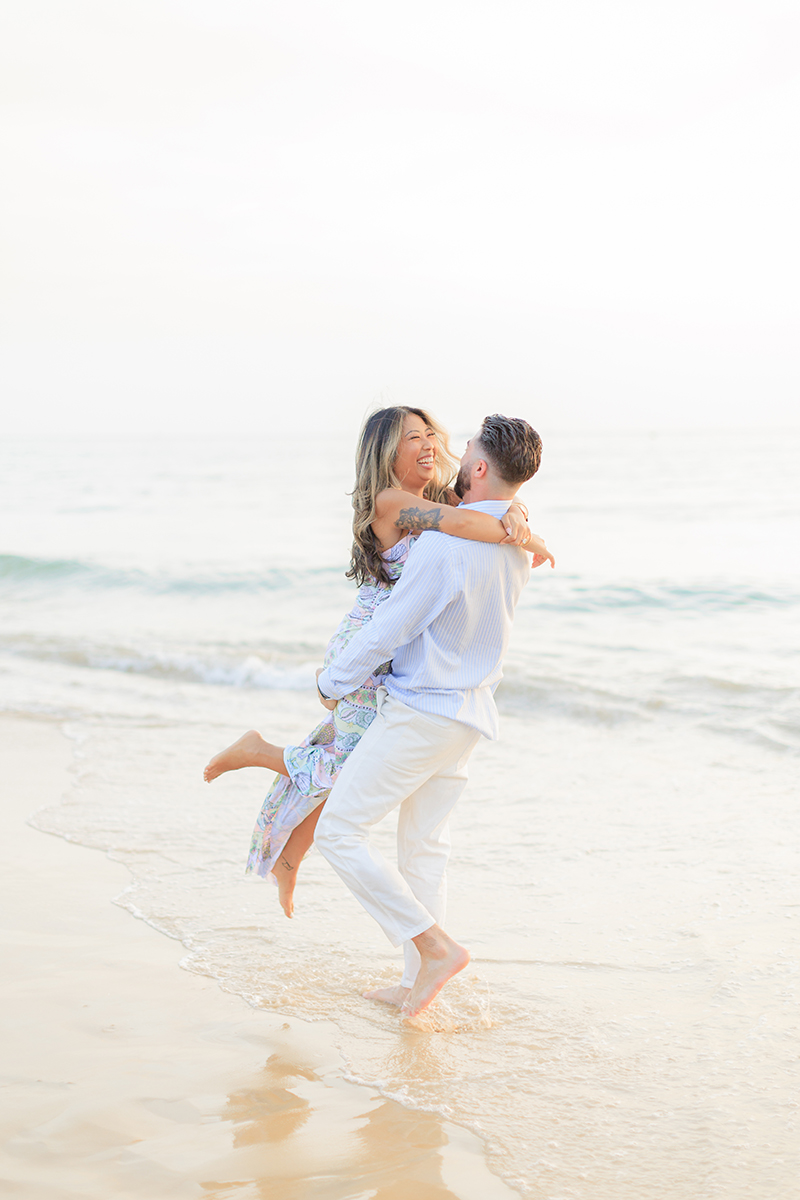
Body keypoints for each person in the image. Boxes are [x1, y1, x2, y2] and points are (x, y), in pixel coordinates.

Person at [203, 407, 553, 920]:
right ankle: (261, 755)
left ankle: (290, 856)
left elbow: (480, 509)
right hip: (367, 647)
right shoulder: (392, 503)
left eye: (431, 433)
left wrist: (516, 516)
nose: (429, 444)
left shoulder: (433, 498)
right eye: (414, 438)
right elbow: (465, 522)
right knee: (345, 767)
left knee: (347, 766)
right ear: (387, 452)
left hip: (392, 650)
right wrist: (521, 531)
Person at [313, 414, 544, 1019]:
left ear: (480, 467)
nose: (452, 452)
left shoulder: (444, 545)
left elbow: (391, 629)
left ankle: (432, 948)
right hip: (470, 714)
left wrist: (332, 681)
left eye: (464, 448)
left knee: (339, 831)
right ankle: (420, 983)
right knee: (424, 848)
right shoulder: (515, 544)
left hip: (423, 711)